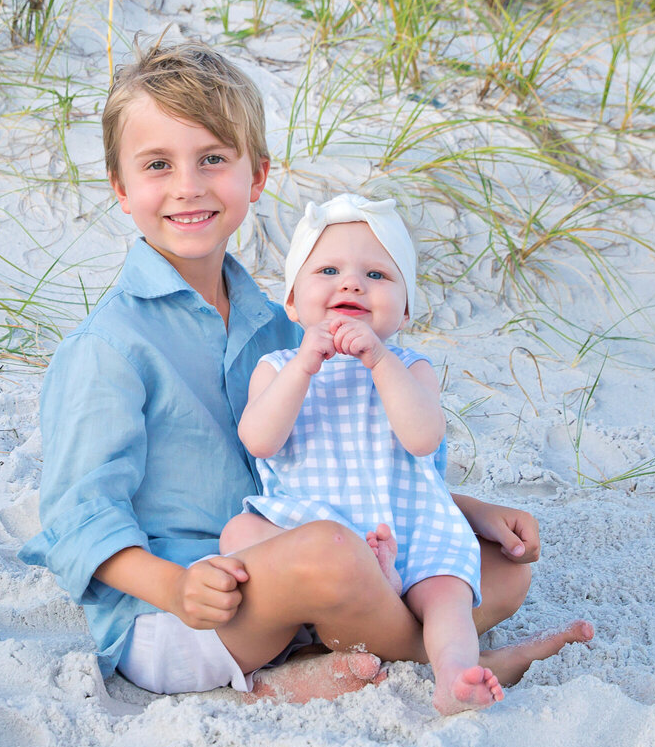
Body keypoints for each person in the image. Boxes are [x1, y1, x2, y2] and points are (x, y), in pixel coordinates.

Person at [18, 39, 592, 702]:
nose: (188, 185)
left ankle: (324, 653)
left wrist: (464, 507)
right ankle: (445, 655)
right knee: (331, 552)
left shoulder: (277, 322)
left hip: (298, 564)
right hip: (183, 612)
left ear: (255, 176)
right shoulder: (109, 345)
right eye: (157, 165)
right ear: (121, 188)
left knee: (504, 569)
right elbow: (78, 515)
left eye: (213, 158)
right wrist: (176, 585)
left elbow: (334, 453)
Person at [223, 194, 523, 714]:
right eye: (329, 269)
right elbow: (260, 440)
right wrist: (303, 367)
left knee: (448, 594)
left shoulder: (412, 368)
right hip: (314, 532)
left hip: (407, 529)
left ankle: (455, 675)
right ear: (292, 303)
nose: (351, 283)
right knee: (239, 534)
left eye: (378, 275)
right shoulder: (276, 366)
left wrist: (380, 361)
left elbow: (423, 438)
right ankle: (360, 601)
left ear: (405, 309)